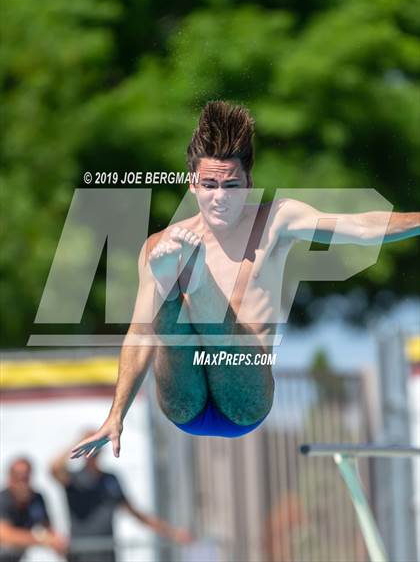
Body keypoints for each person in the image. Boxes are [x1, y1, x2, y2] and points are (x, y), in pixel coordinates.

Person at [70, 100, 420, 454]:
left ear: (249, 182)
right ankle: (178, 282)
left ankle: (192, 274)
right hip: (184, 403)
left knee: (201, 298)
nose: (220, 198)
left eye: (231, 185)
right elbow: (141, 334)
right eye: (209, 185)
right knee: (164, 302)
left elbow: (359, 227)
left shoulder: (277, 220)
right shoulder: (160, 244)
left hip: (244, 400)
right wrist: (115, 415)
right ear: (192, 183)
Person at [50, 432, 192, 562]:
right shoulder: (73, 479)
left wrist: (173, 533)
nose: (92, 453)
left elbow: (136, 514)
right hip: (80, 553)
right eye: (89, 449)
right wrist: (79, 442)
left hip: (107, 553)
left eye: (95, 448)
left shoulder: (110, 480)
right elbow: (54, 468)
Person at [0, 457, 68, 562]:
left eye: (25, 477)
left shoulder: (36, 498)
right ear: (10, 478)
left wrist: (57, 541)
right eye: (18, 478)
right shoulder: (3, 499)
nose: (22, 483)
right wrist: (40, 540)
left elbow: (47, 528)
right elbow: (4, 535)